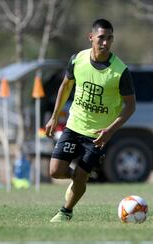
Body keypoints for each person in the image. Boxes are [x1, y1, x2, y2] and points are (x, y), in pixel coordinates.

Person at [45, 18, 136, 222]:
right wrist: (53, 117)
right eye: (101, 38)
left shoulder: (120, 71)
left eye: (110, 38)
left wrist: (110, 131)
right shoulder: (77, 59)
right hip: (74, 126)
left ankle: (65, 212)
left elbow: (130, 106)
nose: (105, 43)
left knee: (81, 176)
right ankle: (78, 178)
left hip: (98, 136)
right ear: (91, 37)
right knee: (55, 171)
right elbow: (65, 87)